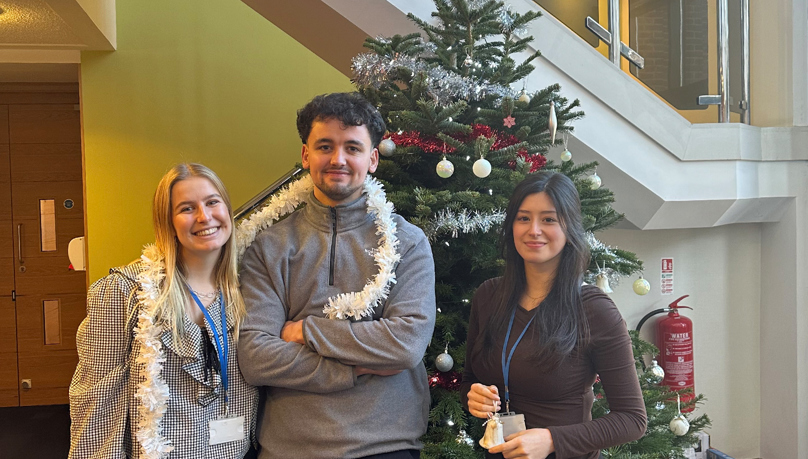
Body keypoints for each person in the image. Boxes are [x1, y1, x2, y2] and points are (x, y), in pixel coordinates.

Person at [238, 92, 436, 459]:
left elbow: (406, 343)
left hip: (385, 445)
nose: (338, 159)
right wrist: (355, 368)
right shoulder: (269, 247)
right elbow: (256, 356)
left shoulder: (408, 243)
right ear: (305, 155)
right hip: (288, 449)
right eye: (325, 146)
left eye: (353, 148)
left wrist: (305, 331)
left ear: (372, 159)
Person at [68, 163, 259, 459]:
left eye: (212, 202)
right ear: (167, 222)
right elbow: (96, 402)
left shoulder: (251, 287)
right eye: (186, 208)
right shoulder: (124, 292)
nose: (204, 216)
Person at [461, 172, 647, 459]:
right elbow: (469, 381)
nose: (533, 230)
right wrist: (474, 397)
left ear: (569, 227)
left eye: (548, 219)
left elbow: (633, 420)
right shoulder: (488, 296)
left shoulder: (594, 310)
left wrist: (552, 440)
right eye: (523, 218)